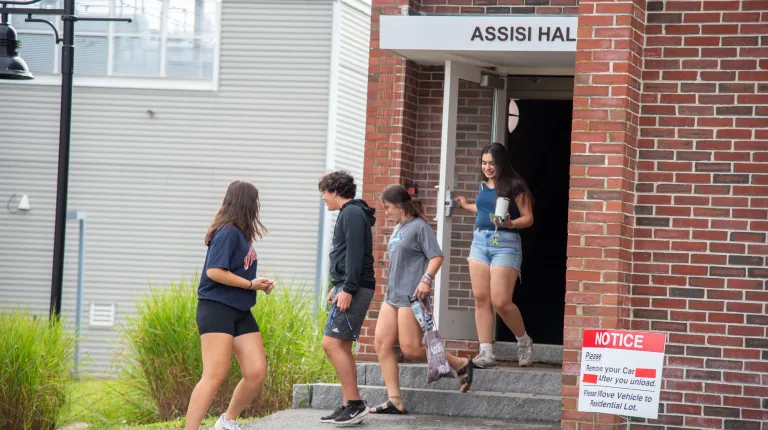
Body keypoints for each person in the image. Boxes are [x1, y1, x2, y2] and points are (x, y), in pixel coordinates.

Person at [369, 185, 477, 415]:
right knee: (381, 344)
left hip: (411, 296)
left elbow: (436, 256)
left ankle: (460, 363)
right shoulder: (399, 227)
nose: (386, 212)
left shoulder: (420, 227)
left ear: (400, 205)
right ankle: (395, 400)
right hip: (392, 296)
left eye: (388, 207)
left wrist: (426, 279)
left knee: (412, 349)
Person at [184, 180, 275, 430]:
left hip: (240, 310)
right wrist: (250, 284)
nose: (258, 206)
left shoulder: (240, 234)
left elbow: (236, 273)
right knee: (214, 375)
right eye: (256, 201)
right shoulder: (227, 232)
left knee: (256, 371)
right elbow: (214, 272)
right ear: (248, 203)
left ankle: (226, 421)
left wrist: (257, 284)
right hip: (217, 308)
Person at [455, 142, 535, 369]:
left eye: (491, 163)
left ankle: (524, 341)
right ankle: (486, 352)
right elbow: (483, 209)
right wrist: (466, 205)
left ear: (501, 163)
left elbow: (528, 218)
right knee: (481, 298)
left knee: (500, 301)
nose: (487, 167)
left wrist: (511, 223)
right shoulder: (483, 185)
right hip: (480, 241)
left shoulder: (515, 185)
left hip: (505, 242)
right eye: (484, 163)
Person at [318, 171, 376, 426]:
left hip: (356, 287)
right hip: (350, 284)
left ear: (334, 190)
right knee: (341, 346)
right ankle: (349, 404)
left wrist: (348, 288)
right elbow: (346, 255)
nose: (323, 198)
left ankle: (355, 404)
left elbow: (354, 253)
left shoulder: (351, 213)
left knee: (331, 344)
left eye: (324, 192)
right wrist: (338, 285)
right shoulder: (351, 212)